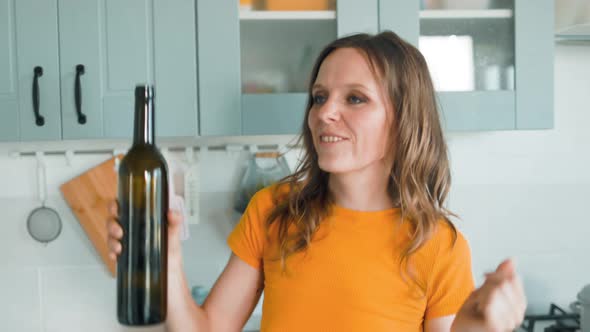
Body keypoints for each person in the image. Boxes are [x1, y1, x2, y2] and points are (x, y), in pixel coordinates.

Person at [107, 31, 526, 331]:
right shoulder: (273, 210)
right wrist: (168, 255)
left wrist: (477, 326)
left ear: (403, 120)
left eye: (355, 98)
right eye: (320, 96)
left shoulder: (437, 243)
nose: (324, 113)